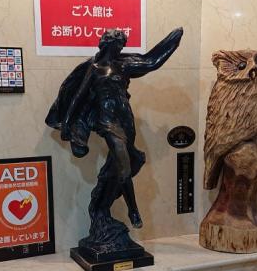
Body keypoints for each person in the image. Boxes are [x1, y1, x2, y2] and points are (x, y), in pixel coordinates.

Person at [46, 27, 183, 232]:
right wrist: (66, 123)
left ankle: (106, 204)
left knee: (123, 164)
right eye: (117, 44)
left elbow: (151, 62)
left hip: (125, 119)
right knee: (124, 165)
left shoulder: (123, 66)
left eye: (122, 45)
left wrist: (172, 41)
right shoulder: (93, 68)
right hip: (107, 122)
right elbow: (78, 97)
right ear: (107, 43)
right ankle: (133, 210)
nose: (119, 48)